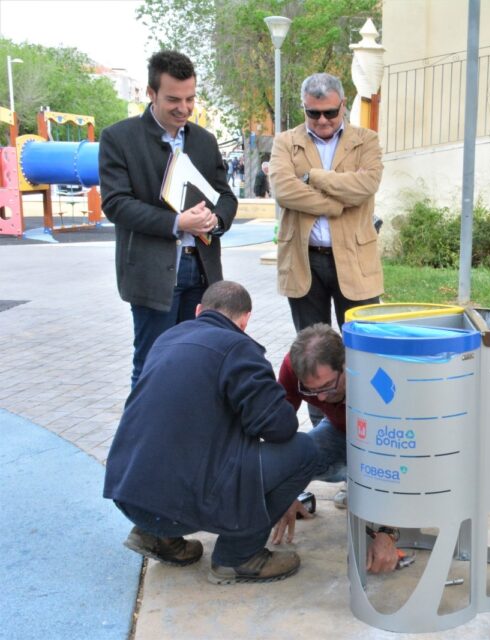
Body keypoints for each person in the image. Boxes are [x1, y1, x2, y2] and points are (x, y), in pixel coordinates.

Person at [103, 281, 316, 585]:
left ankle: (158, 537)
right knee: (305, 450)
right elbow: (280, 427)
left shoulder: (167, 339)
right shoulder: (239, 348)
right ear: (245, 320)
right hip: (175, 509)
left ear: (199, 311)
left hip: (128, 496)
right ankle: (239, 556)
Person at [99, 50, 237, 388]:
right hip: (153, 273)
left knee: (195, 364)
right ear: (151, 93)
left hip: (202, 272)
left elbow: (226, 197)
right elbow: (116, 204)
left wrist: (216, 220)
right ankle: (142, 425)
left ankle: (186, 423)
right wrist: (177, 224)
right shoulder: (119, 138)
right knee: (152, 366)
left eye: (190, 99)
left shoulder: (204, 141)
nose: (184, 108)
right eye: (173, 99)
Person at [271, 323, 399, 574]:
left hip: (387, 442)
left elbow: (400, 454)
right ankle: (355, 481)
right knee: (301, 454)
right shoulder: (293, 368)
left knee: (378, 477)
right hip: (340, 432)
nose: (319, 398)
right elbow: (278, 431)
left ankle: (362, 486)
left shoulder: (378, 376)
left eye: (328, 385)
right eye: (311, 390)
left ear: (346, 363)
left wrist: (387, 531)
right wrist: (286, 489)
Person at [271, 72, 384, 334]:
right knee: (312, 348)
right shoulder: (285, 142)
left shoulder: (367, 140)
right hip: (303, 261)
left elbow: (366, 185)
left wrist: (313, 176)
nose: (322, 120)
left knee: (363, 344)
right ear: (304, 107)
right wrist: (336, 203)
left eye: (330, 112)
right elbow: (284, 190)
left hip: (356, 260)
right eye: (313, 113)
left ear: (343, 105)